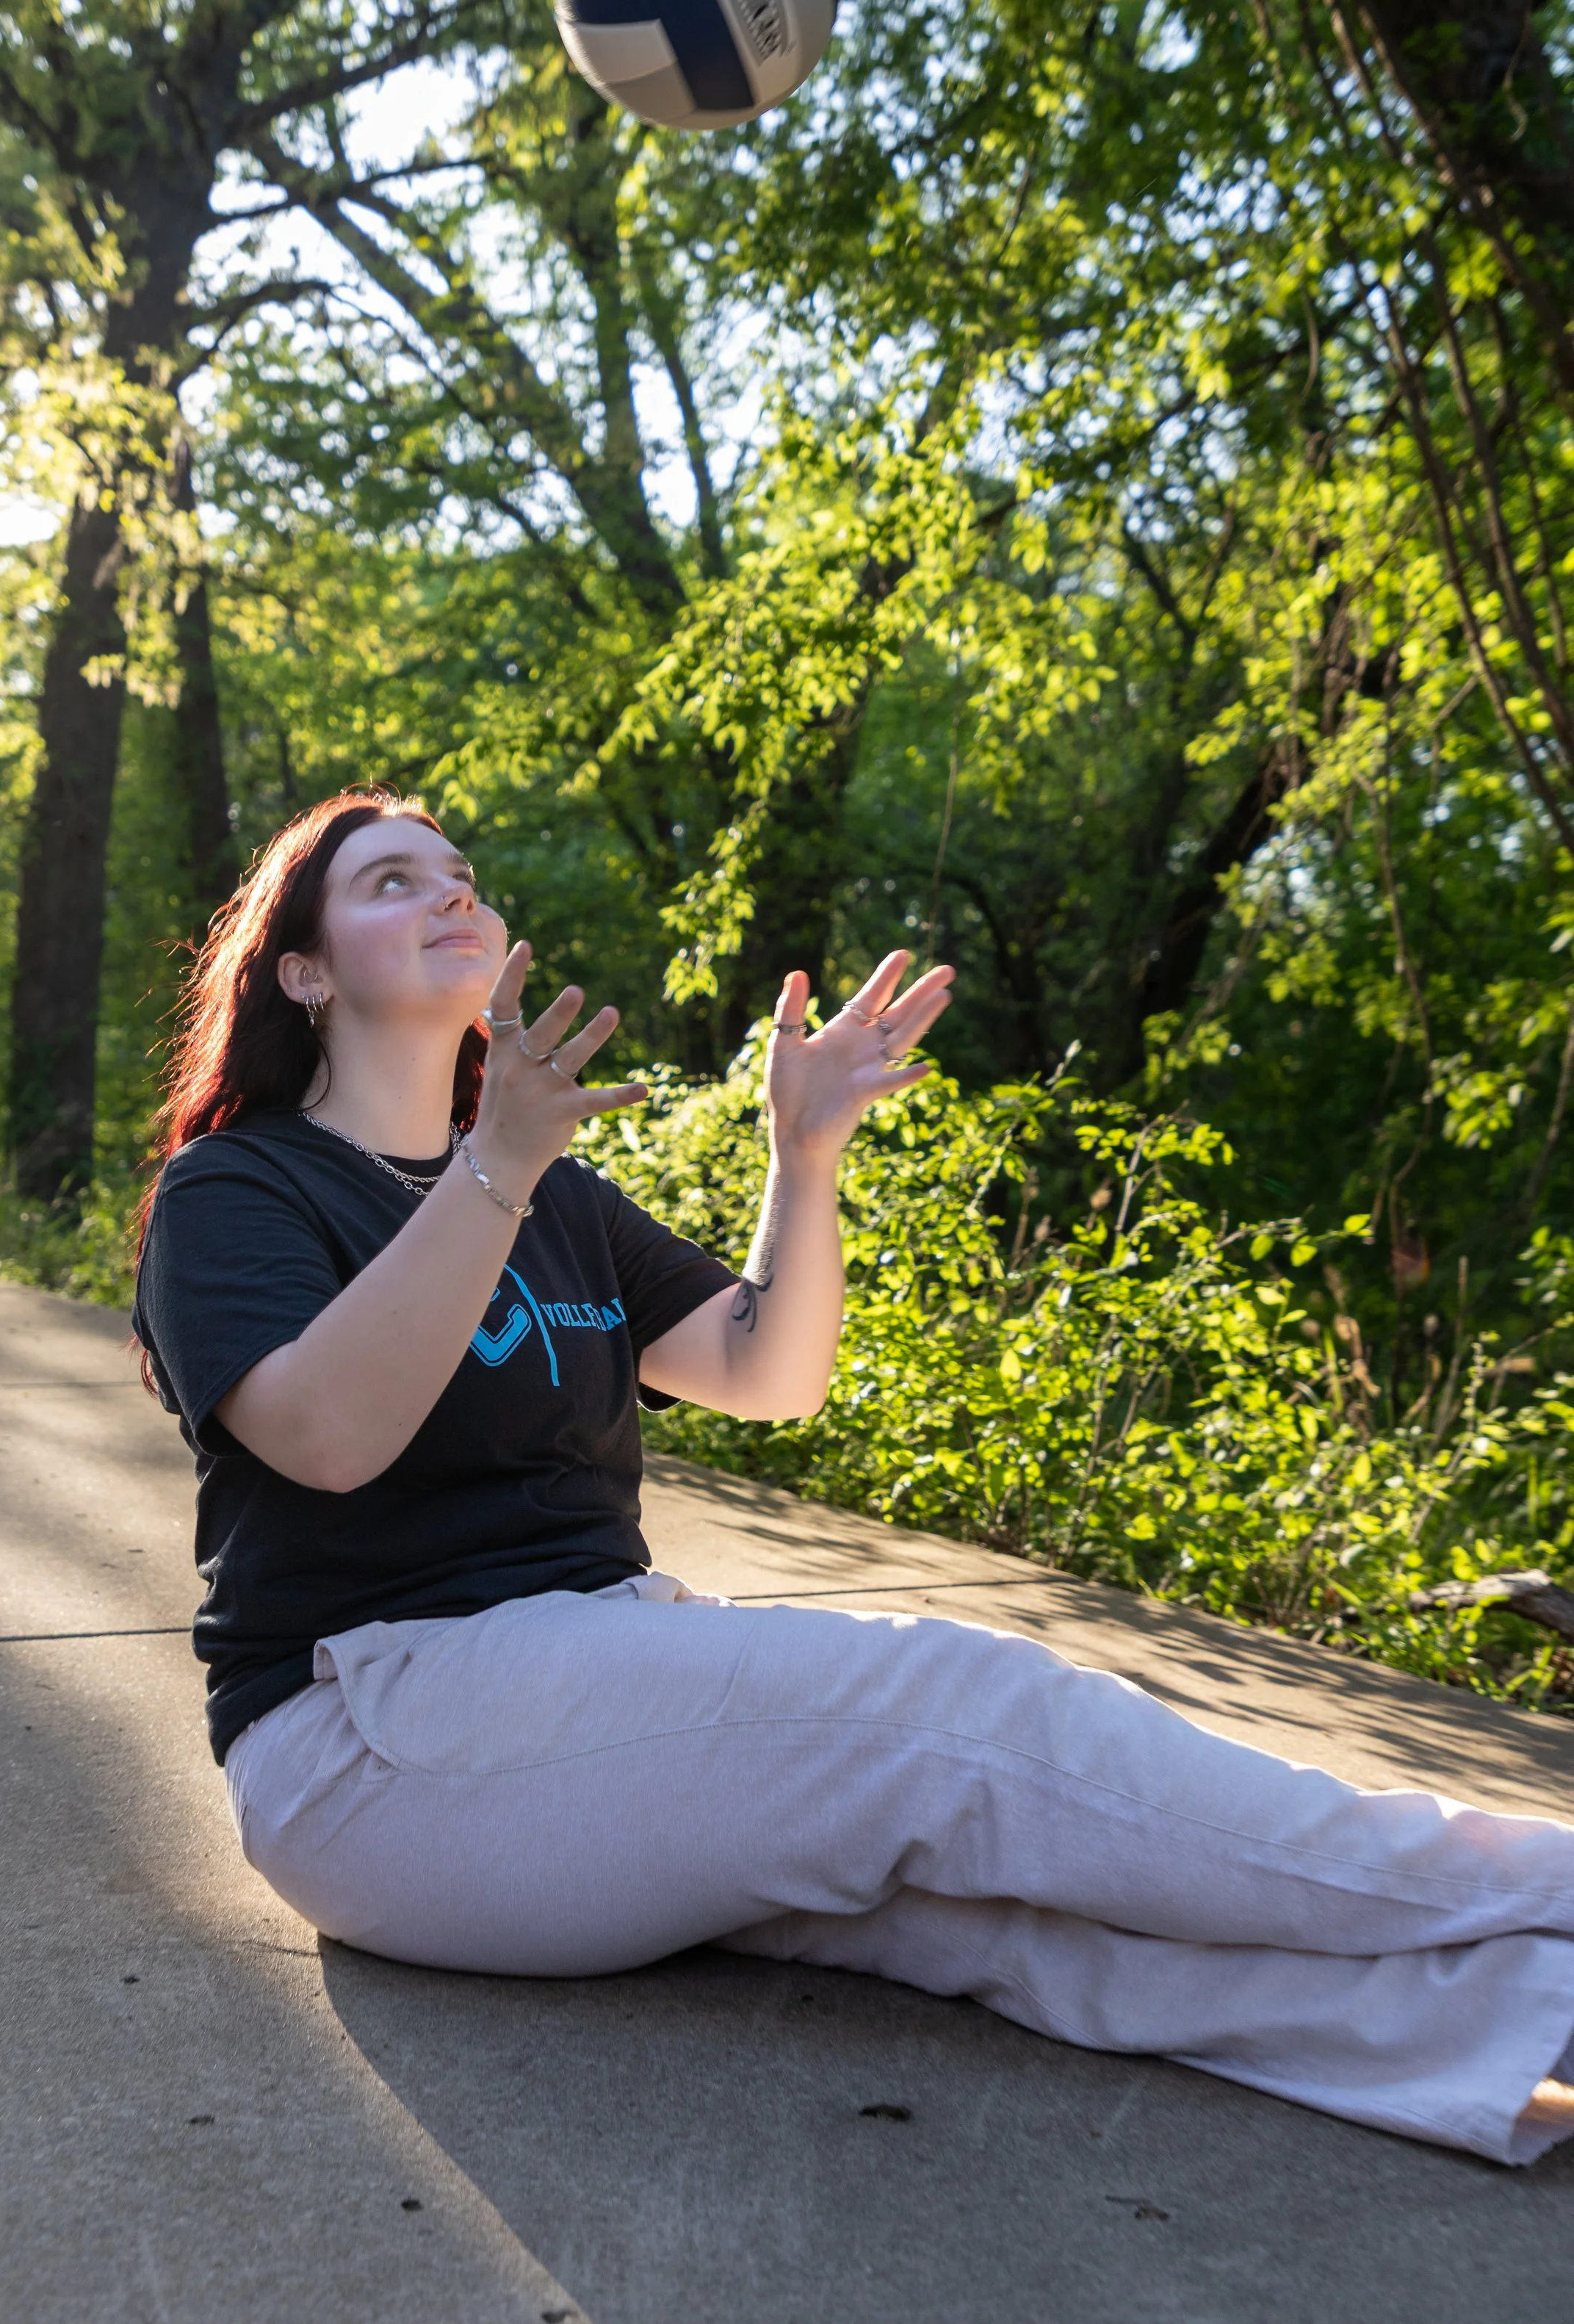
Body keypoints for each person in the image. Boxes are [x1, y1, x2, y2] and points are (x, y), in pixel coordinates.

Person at [133, 786, 1574, 2168]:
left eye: (458, 872)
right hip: (369, 1742)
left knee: (989, 1915)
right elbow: (325, 1438)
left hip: (587, 1686)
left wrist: (800, 1158)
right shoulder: (241, 1192)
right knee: (952, 1714)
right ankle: (1538, 1885)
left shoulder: (555, 1194)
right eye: (391, 879)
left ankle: (1515, 2028)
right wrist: (493, 1163)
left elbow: (769, 1374)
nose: (449, 888)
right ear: (304, 974)